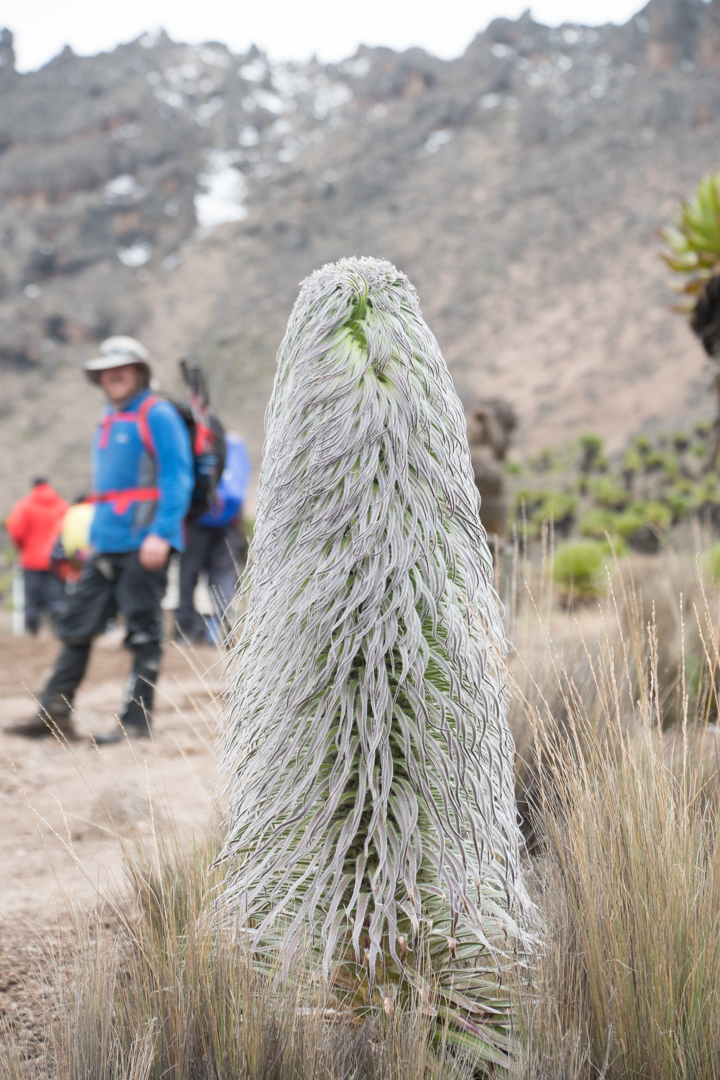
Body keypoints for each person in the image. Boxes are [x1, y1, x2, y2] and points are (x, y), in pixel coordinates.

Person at [5, 337, 194, 744]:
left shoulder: (157, 414)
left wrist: (162, 534)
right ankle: (54, 713)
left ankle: (136, 723)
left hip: (145, 541)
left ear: (140, 371)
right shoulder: (108, 417)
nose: (113, 375)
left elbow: (178, 476)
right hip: (105, 543)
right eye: (106, 370)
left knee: (143, 632)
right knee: (77, 626)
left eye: (122, 367)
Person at [175, 433, 251, 643]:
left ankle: (186, 628)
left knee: (188, 575)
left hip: (196, 520)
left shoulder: (197, 441)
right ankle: (224, 624)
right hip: (228, 525)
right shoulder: (235, 445)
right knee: (223, 575)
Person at [6, 478, 68, 634]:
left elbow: (16, 531)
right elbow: (68, 531)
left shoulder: (24, 506)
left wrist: (23, 548)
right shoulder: (62, 506)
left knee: (32, 599)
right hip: (56, 560)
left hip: (31, 560)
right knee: (56, 597)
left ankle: (33, 632)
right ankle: (59, 631)